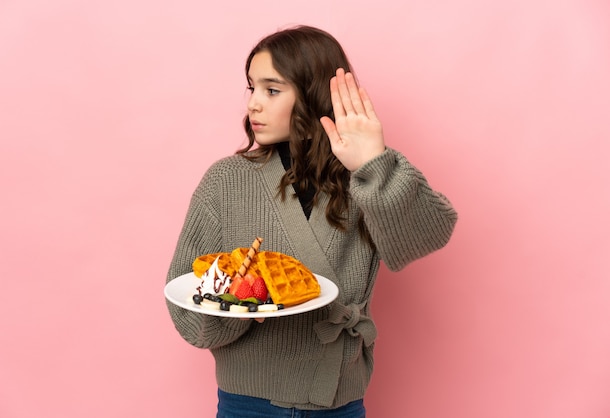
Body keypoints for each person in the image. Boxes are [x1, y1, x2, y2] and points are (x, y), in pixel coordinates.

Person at [166, 25, 457, 417]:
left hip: (339, 399)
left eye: (272, 90)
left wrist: (374, 164)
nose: (253, 104)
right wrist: (242, 306)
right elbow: (187, 300)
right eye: (252, 88)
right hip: (249, 402)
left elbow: (426, 235)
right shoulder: (225, 180)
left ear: (312, 93)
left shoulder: (365, 175)